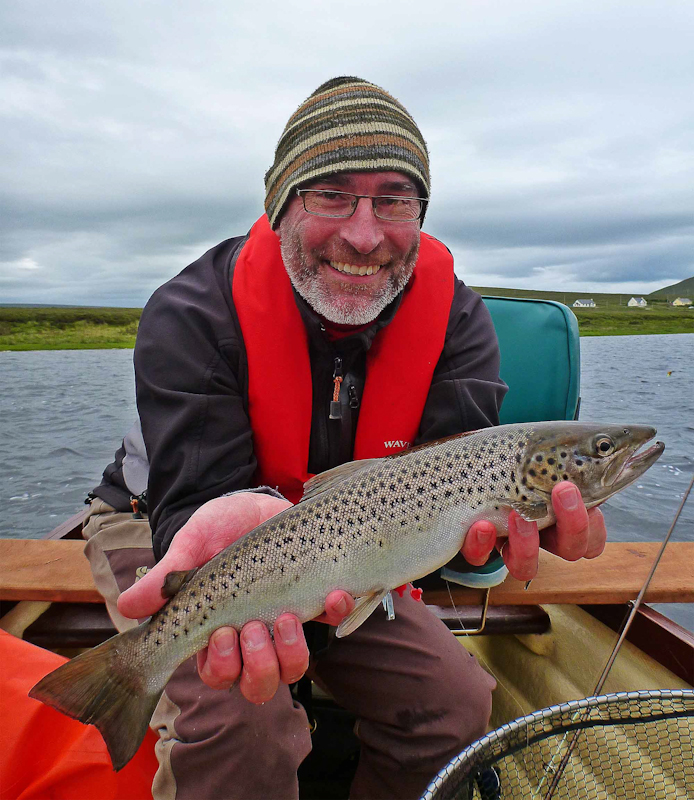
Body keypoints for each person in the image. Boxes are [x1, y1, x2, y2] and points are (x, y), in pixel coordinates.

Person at [84, 77, 607, 800]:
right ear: (281, 204)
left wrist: (526, 527)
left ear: (419, 214)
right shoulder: (189, 312)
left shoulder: (456, 321)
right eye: (331, 194)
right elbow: (194, 505)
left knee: (454, 705)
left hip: (361, 544)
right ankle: (129, 679)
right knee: (245, 726)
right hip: (165, 527)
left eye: (394, 199)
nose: (365, 235)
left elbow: (457, 490)